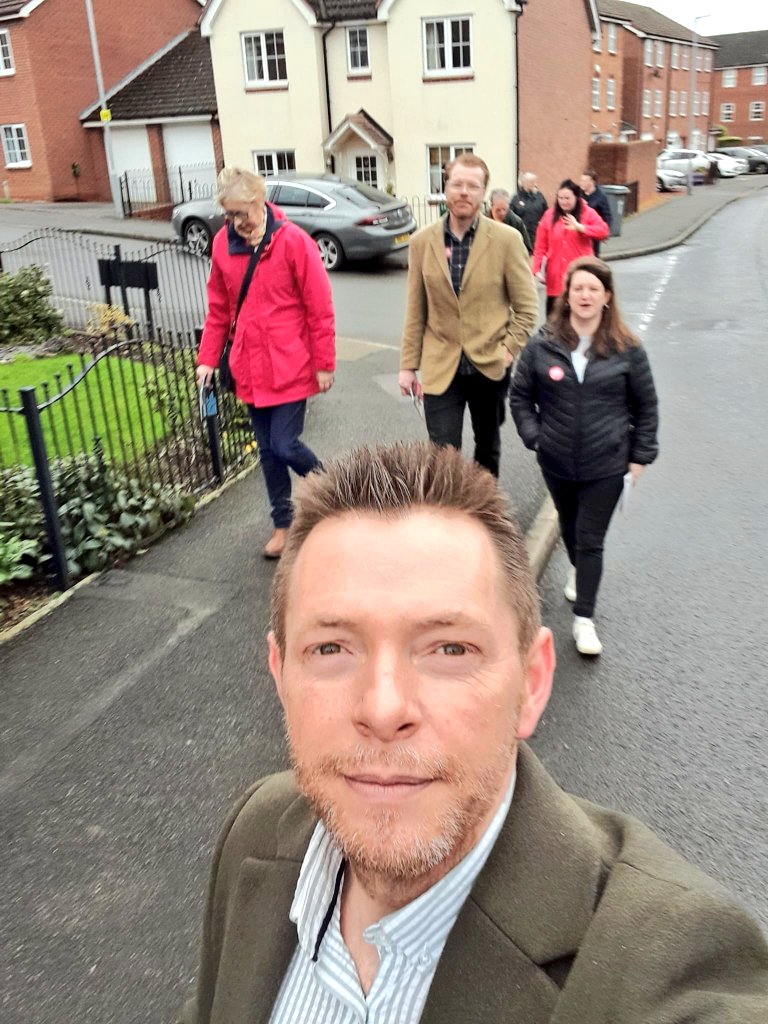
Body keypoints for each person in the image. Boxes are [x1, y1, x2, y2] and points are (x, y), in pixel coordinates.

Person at [181, 442, 768, 1024]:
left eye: (449, 648)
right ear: (281, 676)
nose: (384, 708)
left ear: (531, 684)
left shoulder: (668, 963)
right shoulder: (255, 829)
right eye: (331, 647)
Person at [510, 256, 658, 655]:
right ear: (567, 294)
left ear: (607, 296)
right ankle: (578, 568)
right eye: (578, 288)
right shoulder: (543, 344)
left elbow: (646, 406)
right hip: (556, 461)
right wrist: (535, 437)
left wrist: (640, 456)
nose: (585, 295)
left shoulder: (627, 350)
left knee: (590, 540)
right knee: (573, 531)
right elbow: (521, 396)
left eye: (594, 289)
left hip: (606, 464)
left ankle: (584, 620)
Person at [196, 167, 335, 560]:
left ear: (260, 201)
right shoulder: (223, 244)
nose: (235, 223)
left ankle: (330, 488)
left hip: (290, 364)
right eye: (229, 215)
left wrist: (324, 363)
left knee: (285, 444)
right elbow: (219, 309)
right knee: (268, 451)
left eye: (241, 213)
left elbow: (320, 308)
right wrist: (207, 359)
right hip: (248, 368)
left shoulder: (294, 243)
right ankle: (283, 524)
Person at [399, 153, 537, 478]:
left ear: (483, 192)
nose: (464, 192)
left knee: (487, 447)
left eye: (472, 186)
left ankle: (484, 516)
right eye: (457, 184)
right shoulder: (421, 243)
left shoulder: (506, 240)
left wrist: (507, 352)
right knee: (441, 454)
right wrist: (408, 365)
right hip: (440, 365)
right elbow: (416, 309)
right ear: (445, 187)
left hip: (489, 366)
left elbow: (527, 307)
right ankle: (450, 519)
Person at [532, 179, 610, 316]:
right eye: (560, 198)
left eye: (567, 198)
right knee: (553, 322)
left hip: (580, 278)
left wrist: (581, 228)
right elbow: (540, 246)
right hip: (555, 280)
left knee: (577, 321)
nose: (563, 202)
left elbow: (604, 231)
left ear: (576, 197)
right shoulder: (549, 215)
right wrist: (537, 268)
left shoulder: (587, 213)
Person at [488, 187, 532, 253]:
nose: (502, 213)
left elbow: (527, 250)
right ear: (491, 206)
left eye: (504, 209)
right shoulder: (482, 222)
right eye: (498, 210)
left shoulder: (516, 222)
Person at [580, 169, 613, 257]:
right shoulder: (578, 194)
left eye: (584, 181)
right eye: (581, 180)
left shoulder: (601, 197)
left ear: (592, 182)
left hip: (593, 235)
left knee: (592, 258)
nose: (581, 183)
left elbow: (607, 216)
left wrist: (605, 233)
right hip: (579, 232)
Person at [510, 170, 548, 239]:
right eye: (532, 182)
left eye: (535, 182)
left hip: (537, 236)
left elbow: (546, 214)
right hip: (521, 236)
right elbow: (511, 217)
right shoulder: (516, 199)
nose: (536, 184)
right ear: (525, 183)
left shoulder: (540, 197)